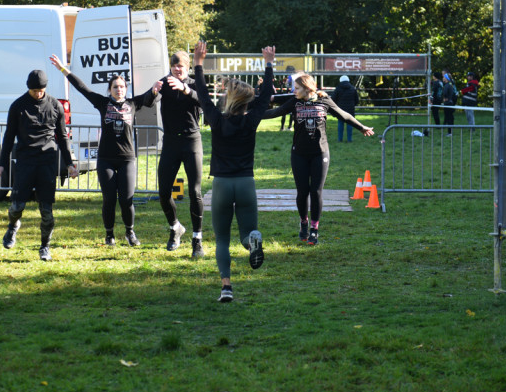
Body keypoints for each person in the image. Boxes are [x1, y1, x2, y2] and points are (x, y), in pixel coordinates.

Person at [192, 40, 274, 303]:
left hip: (222, 186)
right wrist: (269, 63)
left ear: (228, 99)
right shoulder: (252, 120)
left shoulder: (216, 120)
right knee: (245, 233)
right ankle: (252, 242)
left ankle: (226, 287)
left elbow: (202, 94)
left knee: (222, 240)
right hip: (246, 183)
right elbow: (265, 96)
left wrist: (198, 63)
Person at [50, 54, 160, 247]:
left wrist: (155, 90)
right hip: (106, 159)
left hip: (127, 159)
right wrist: (63, 69)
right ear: (109, 90)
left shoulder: (132, 104)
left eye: (122, 86)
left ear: (126, 89)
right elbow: (82, 88)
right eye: (115, 87)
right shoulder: (103, 103)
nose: (119, 89)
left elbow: (149, 96)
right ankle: (109, 235)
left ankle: (130, 233)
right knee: (109, 199)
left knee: (126, 199)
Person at [263, 72, 374, 246]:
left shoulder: (324, 100)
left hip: (320, 153)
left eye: (297, 88)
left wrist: (361, 127)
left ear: (307, 88)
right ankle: (304, 223)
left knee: (316, 192)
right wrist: (249, 116)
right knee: (302, 192)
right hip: (299, 153)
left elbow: (343, 115)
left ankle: (314, 228)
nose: (294, 91)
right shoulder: (295, 102)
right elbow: (275, 112)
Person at [0, 69, 79, 261]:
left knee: (46, 211)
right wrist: (1, 164)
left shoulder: (55, 105)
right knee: (17, 206)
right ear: (28, 88)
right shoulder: (18, 106)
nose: (38, 93)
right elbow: (8, 137)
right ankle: (13, 227)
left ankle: (44, 247)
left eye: (41, 90)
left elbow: (63, 137)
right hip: (25, 161)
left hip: (47, 162)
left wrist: (70, 164)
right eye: (34, 91)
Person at [155, 51, 206, 257]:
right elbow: (149, 101)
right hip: (170, 142)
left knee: (194, 192)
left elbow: (204, 102)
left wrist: (186, 90)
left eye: (181, 66)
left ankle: (197, 239)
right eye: (174, 65)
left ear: (187, 68)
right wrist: (152, 93)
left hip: (191, 140)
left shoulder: (194, 84)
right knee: (164, 192)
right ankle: (175, 227)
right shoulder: (164, 82)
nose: (177, 69)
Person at [333, 75, 359, 143]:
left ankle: (339, 139)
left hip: (340, 109)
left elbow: (333, 99)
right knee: (350, 124)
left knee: (340, 124)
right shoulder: (353, 89)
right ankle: (349, 140)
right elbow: (357, 100)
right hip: (350, 109)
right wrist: (353, 105)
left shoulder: (338, 89)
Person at [442, 70, 458, 135]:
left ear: (446, 79)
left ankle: (449, 132)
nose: (442, 78)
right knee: (450, 117)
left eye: (444, 77)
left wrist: (445, 98)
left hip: (447, 103)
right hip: (450, 102)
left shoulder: (447, 85)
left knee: (449, 118)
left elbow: (445, 93)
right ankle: (450, 131)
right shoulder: (450, 85)